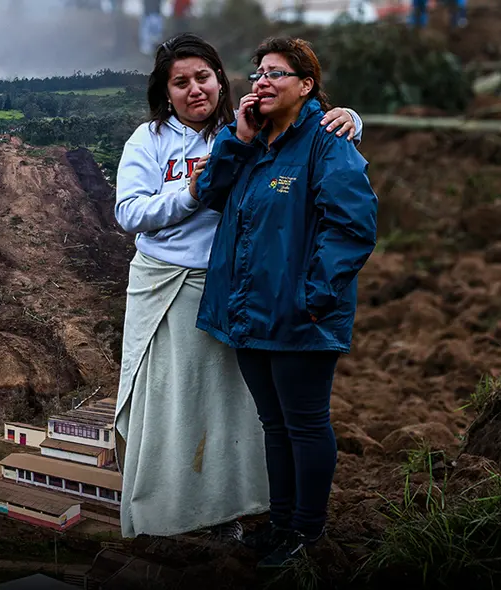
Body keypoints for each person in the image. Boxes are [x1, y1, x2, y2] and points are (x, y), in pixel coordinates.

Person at [113, 33, 363, 542]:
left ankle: (257, 515)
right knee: (173, 405)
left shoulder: (257, 128)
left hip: (247, 293)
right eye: (180, 82)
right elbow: (130, 212)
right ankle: (171, 511)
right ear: (166, 92)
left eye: (203, 76)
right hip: (183, 290)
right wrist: (187, 191)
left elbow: (341, 202)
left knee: (241, 411)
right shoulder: (156, 139)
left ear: (219, 80)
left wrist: (352, 119)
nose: (194, 89)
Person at [194, 37, 378, 567]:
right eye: (257, 74)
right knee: (274, 424)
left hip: (299, 317)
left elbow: (352, 226)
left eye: (276, 73)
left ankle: (307, 532)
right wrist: (240, 137)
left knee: (304, 422)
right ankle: (279, 524)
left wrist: (312, 299)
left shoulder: (327, 141)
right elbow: (209, 193)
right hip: (249, 313)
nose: (262, 82)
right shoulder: (253, 142)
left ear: (306, 85)